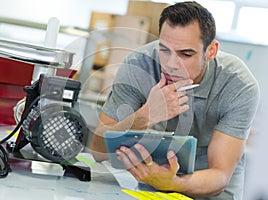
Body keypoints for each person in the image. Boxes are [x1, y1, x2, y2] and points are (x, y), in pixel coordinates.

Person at [90, 1, 260, 199]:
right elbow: (98, 150)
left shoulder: (238, 85)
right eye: (164, 50)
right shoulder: (139, 65)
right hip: (152, 186)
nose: (170, 64)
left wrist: (174, 183)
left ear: (211, 51)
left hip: (211, 193)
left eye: (185, 54)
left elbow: (220, 175)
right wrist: (145, 116)